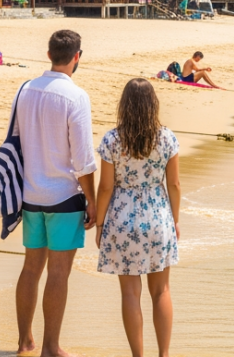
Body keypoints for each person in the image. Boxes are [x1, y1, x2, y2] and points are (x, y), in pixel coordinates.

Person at [15, 29, 97, 357]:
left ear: (49, 54)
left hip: (31, 193)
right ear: (77, 57)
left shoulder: (26, 90)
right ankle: (50, 347)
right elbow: (83, 159)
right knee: (59, 272)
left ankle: (25, 341)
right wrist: (92, 200)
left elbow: (16, 139)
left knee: (30, 268)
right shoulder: (76, 96)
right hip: (63, 196)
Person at [94, 78, 180, 357]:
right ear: (153, 104)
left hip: (122, 218)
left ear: (124, 105)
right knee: (161, 291)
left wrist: (100, 224)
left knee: (130, 293)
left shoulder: (112, 139)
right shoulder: (167, 138)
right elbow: (174, 185)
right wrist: (175, 221)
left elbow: (105, 187)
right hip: (158, 217)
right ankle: (164, 354)